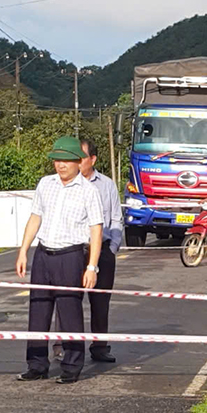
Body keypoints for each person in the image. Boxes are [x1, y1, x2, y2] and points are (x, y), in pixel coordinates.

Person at [15, 135, 103, 385]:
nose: (60, 165)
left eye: (65, 160)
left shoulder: (89, 191)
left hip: (70, 256)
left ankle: (72, 366)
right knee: (38, 311)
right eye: (56, 160)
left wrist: (92, 266)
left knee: (69, 313)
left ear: (79, 161)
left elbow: (96, 229)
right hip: (44, 254)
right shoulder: (46, 184)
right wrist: (23, 251)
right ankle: (36, 365)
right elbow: (35, 217)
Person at [78, 136, 123, 366]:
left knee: (100, 301)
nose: (76, 162)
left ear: (93, 159)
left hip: (103, 249)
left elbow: (116, 218)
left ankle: (99, 346)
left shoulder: (106, 185)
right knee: (69, 300)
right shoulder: (67, 184)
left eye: (81, 157)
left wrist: (112, 247)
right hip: (75, 250)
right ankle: (66, 346)